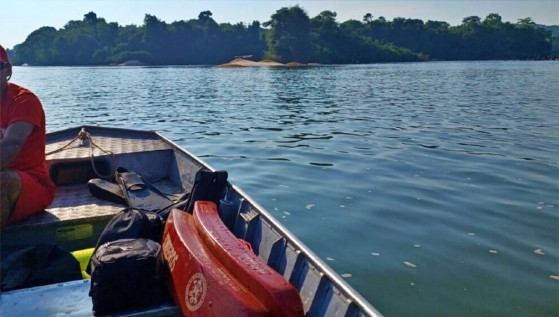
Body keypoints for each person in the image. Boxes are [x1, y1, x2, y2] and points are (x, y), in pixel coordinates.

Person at [0, 44, 55, 227]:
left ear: (7, 69)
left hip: (32, 183)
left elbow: (10, 147)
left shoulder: (23, 101)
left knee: (2, 181)